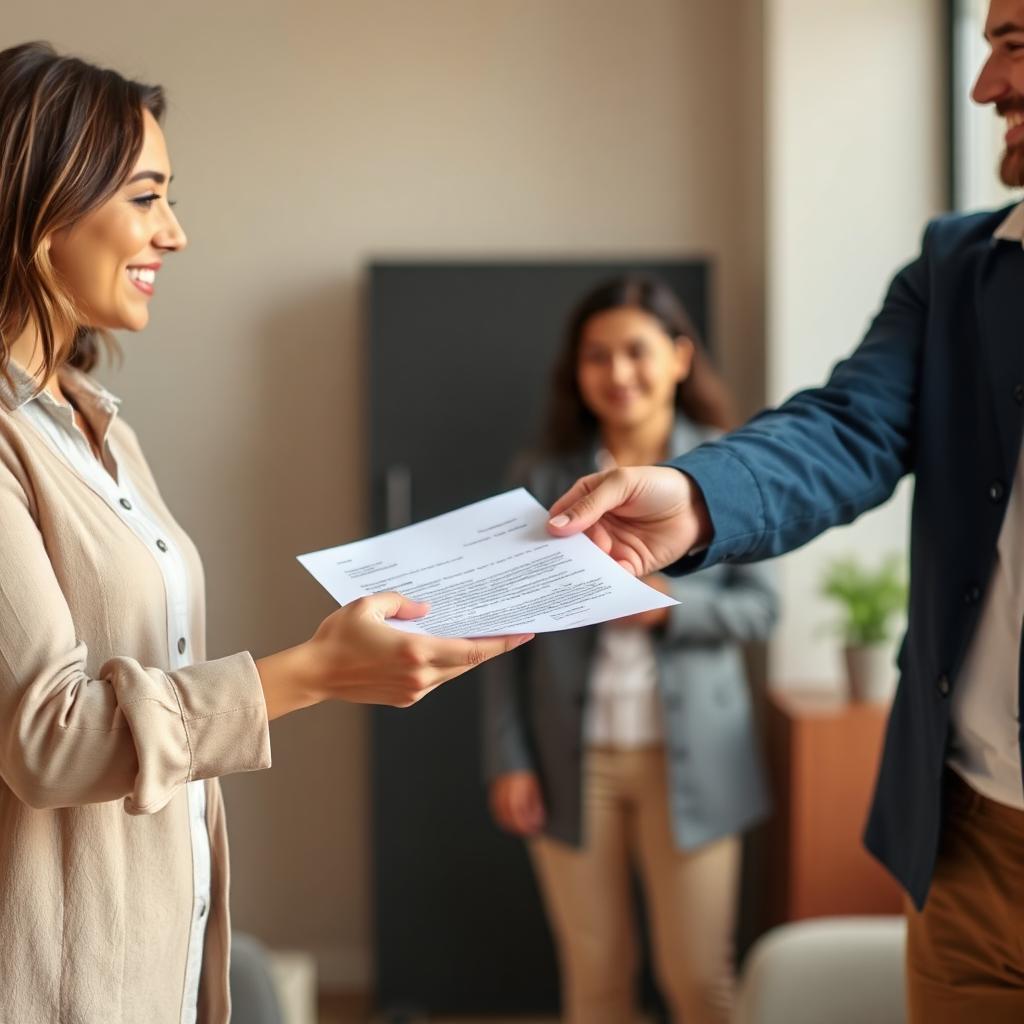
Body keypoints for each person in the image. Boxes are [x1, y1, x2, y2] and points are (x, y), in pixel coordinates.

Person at [0, 42, 530, 1024]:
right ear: (43, 205)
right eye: (147, 197)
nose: (177, 233)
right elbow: (51, 737)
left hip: (154, 949)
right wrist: (314, 672)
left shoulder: (96, 424)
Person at [545, 3, 1024, 1021]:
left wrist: (671, 608)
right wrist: (694, 494)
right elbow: (846, 428)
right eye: (982, 44)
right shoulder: (953, 269)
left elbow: (751, 615)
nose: (985, 86)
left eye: (1013, 43)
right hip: (969, 838)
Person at [483, 276, 777, 1024]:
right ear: (576, 372)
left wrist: (668, 613)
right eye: (597, 356)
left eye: (636, 352)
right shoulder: (543, 477)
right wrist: (509, 757)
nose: (618, 374)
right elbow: (503, 637)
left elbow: (762, 609)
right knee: (596, 978)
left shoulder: (729, 468)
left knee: (698, 979)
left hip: (699, 759)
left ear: (679, 357)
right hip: (569, 759)